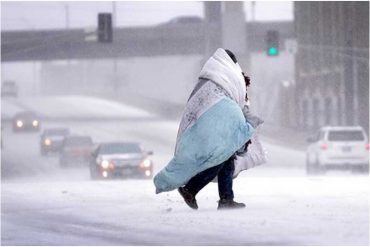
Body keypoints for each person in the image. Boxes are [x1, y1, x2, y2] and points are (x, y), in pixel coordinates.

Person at [154, 48, 256, 209]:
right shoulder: (224, 76)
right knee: (220, 158)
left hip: (206, 123)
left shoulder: (210, 78)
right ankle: (191, 189)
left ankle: (225, 199)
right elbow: (234, 98)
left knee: (225, 158)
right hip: (214, 124)